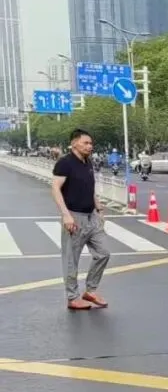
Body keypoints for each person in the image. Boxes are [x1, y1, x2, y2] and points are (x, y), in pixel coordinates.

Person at [51, 129, 110, 311]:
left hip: (91, 216)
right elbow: (55, 189)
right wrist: (66, 215)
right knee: (71, 260)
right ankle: (72, 297)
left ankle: (90, 290)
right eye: (86, 143)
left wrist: (98, 207)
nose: (90, 146)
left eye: (91, 143)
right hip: (74, 217)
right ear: (74, 143)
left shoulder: (88, 162)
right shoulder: (65, 163)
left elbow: (89, 187)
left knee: (103, 253)